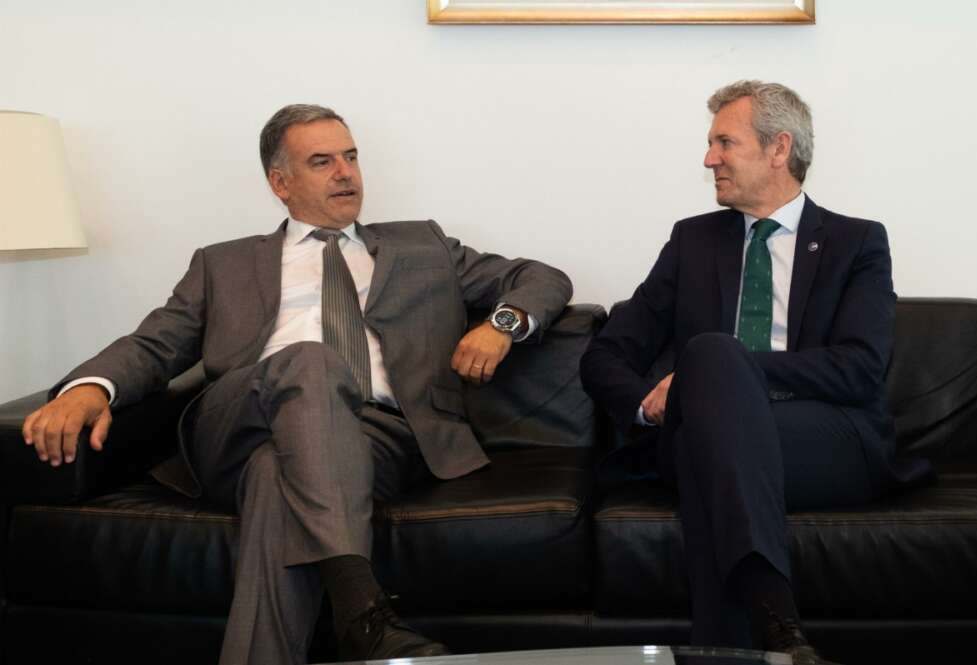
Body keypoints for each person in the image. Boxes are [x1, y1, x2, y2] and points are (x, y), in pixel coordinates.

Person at [21, 104, 572, 665]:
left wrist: (502, 325)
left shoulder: (423, 246)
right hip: (238, 422)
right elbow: (156, 343)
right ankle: (363, 611)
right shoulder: (223, 263)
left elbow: (542, 278)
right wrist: (89, 388)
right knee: (308, 360)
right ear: (280, 183)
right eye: (322, 161)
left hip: (376, 433)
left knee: (273, 477)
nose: (345, 173)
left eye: (351, 157)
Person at [580, 81, 900, 664]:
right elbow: (604, 355)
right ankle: (778, 623)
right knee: (711, 381)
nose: (709, 159)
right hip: (700, 434)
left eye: (723, 142)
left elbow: (861, 368)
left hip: (824, 440)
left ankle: (738, 637)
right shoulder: (693, 242)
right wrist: (650, 402)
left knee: (713, 364)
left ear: (779, 149)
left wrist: (724, 377)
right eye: (710, 145)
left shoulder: (856, 243)